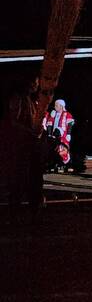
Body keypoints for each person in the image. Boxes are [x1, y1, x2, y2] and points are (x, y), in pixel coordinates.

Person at [0, 75, 45, 224]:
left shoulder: (33, 100)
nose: (36, 85)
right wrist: (30, 131)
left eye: (37, 82)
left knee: (35, 180)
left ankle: (34, 212)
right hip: (20, 146)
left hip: (31, 145)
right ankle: (15, 214)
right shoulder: (18, 98)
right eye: (34, 82)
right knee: (18, 181)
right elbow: (13, 122)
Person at [42, 99, 75, 173]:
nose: (55, 107)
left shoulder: (67, 114)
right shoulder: (54, 114)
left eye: (57, 105)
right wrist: (50, 134)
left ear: (61, 106)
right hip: (55, 135)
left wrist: (68, 134)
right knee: (55, 150)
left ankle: (67, 164)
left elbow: (70, 124)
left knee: (63, 150)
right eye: (55, 105)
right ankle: (56, 165)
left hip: (63, 135)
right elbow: (49, 124)